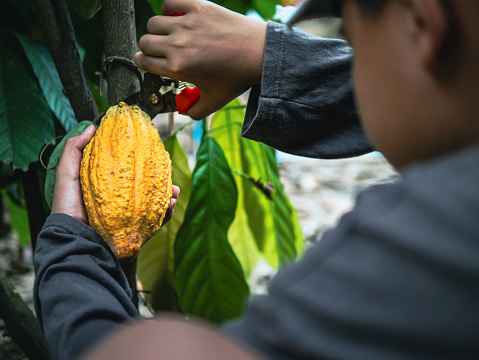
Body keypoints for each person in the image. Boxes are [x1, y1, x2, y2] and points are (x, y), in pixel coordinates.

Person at [33, 0, 479, 359]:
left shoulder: (444, 237)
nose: (356, 65)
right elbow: (410, 83)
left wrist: (74, 251)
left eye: (350, 39)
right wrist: (268, 55)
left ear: (424, 22)